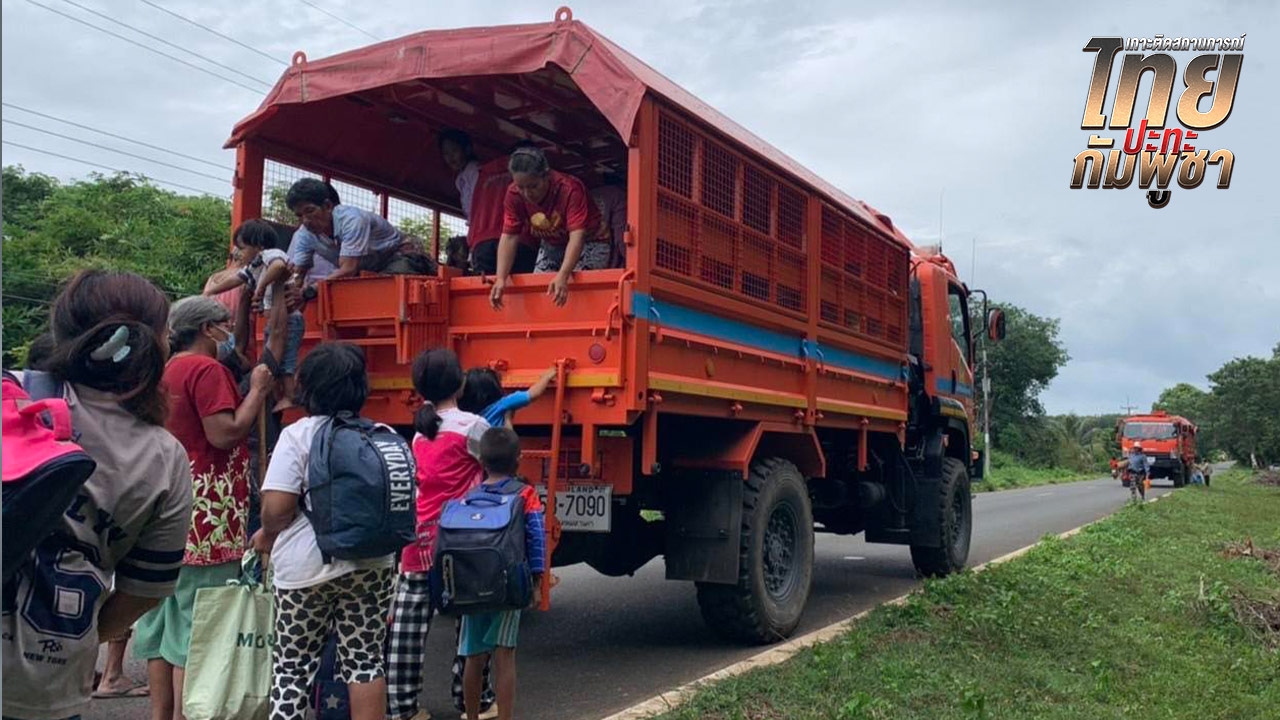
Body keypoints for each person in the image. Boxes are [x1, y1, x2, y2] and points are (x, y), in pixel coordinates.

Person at [2, 270, 194, 720]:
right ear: (156, 345)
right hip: (45, 683)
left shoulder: (10, 394)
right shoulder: (164, 457)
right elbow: (143, 592)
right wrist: (82, 637)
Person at [133, 296, 274, 720]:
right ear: (208, 329)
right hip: (209, 515)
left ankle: (162, 714)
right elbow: (225, 433)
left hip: (166, 507)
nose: (229, 331)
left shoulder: (165, 370)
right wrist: (257, 392)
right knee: (199, 627)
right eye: (225, 324)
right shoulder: (206, 369)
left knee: (162, 626)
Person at [255, 343, 395, 720]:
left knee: (292, 668)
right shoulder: (381, 434)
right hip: (372, 564)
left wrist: (266, 531)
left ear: (309, 388)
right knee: (365, 663)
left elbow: (277, 511)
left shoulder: (299, 435)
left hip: (304, 571)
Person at [387, 349, 494, 720]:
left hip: (419, 541)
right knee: (470, 625)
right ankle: (474, 703)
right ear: (461, 383)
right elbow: (498, 467)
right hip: (463, 542)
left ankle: (402, 707)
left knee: (408, 628)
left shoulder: (420, 433)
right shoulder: (473, 427)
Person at [459, 427, 546, 720]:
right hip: (508, 588)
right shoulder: (526, 495)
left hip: (472, 586)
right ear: (519, 459)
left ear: (481, 461)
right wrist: (537, 583)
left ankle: (471, 716)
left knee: (473, 657)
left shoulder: (470, 496)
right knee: (504, 654)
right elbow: (536, 540)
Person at [204, 219, 305, 412]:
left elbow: (279, 268)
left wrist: (261, 285)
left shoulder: (271, 255)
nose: (237, 253)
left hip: (289, 318)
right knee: (277, 358)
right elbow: (236, 279)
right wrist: (212, 291)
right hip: (273, 320)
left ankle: (290, 396)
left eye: (241, 248)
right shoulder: (254, 267)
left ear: (258, 246)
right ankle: (281, 394)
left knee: (286, 361)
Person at [490, 146, 608, 308]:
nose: (526, 193)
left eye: (533, 186)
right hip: (552, 244)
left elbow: (577, 235)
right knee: (542, 297)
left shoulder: (569, 189)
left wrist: (563, 274)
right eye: (520, 187)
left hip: (590, 242)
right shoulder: (513, 194)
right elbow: (509, 236)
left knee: (576, 296)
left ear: (547, 176)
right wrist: (501, 278)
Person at [286, 178, 434, 281]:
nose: (305, 220)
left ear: (328, 206)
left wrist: (311, 290)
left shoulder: (352, 219)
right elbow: (299, 274)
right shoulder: (305, 234)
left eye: (310, 211)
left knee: (383, 289)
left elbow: (348, 269)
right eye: (299, 215)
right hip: (370, 269)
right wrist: (293, 291)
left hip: (399, 254)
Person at [440, 132, 539, 277]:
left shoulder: (485, 171)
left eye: (454, 151)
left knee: (488, 292)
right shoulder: (527, 173)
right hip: (518, 240)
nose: (450, 157)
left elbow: (475, 208)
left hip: (482, 242)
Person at [458, 366, 557, 429]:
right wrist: (546, 377)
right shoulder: (502, 404)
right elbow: (533, 394)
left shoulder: (465, 415)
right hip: (501, 450)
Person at [439, 129, 481, 220]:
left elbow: (480, 200)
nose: (450, 157)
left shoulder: (474, 170)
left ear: (467, 149)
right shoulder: (459, 179)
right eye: (446, 153)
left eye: (454, 150)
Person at [590, 171, 627, 267]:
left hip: (575, 267)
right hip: (604, 266)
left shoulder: (588, 194)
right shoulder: (618, 196)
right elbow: (621, 241)